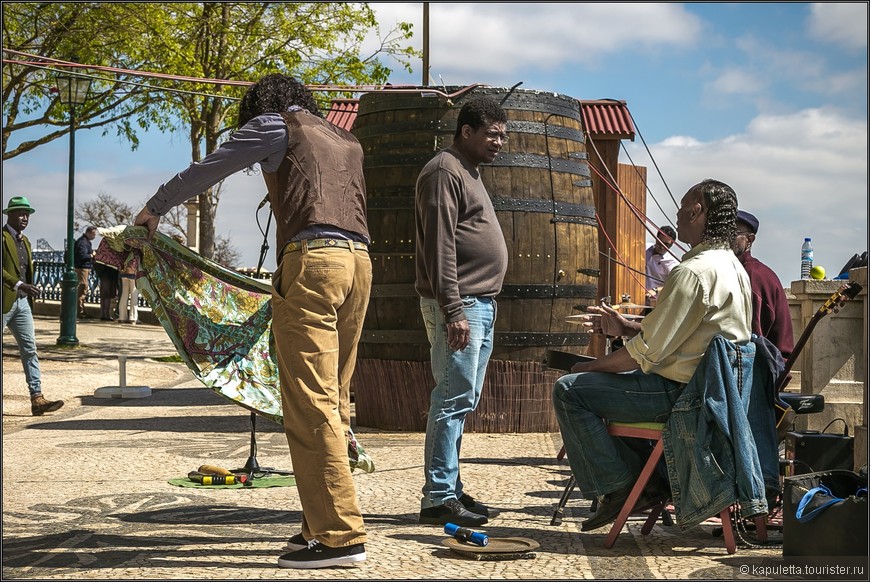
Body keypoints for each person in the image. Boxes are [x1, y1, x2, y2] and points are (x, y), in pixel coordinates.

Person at [133, 73, 370, 570]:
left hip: (313, 262)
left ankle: (339, 536)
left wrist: (155, 208)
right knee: (336, 398)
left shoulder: (274, 125)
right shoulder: (344, 138)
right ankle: (319, 521)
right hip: (360, 266)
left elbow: (210, 167)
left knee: (310, 402)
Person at [552, 178, 753, 532]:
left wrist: (589, 366)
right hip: (714, 396)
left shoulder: (693, 272)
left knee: (570, 390)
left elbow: (643, 356)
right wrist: (626, 328)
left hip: (681, 398)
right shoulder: (734, 269)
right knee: (611, 381)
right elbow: (678, 337)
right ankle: (647, 481)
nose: (676, 214)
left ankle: (620, 486)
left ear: (697, 211)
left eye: (681, 206)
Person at [415, 96, 509, 527]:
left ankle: (448, 486)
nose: (500, 143)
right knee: (451, 398)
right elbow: (440, 246)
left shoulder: (468, 172)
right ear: (466, 132)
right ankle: (437, 496)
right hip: (460, 304)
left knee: (462, 397)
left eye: (504, 135)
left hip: (479, 303)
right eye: (492, 134)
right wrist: (452, 308)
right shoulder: (443, 171)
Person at [2, 196, 65, 416]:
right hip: (4, 302)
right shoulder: (2, 237)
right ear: (9, 214)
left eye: (27, 214)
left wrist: (26, 289)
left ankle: (37, 398)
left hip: (22, 303)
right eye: (20, 213)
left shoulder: (26, 241)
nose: (25, 217)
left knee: (30, 350)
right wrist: (19, 284)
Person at [734, 210, 794, 362]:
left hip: (758, 371)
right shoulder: (735, 269)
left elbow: (751, 337)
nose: (725, 238)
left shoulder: (752, 275)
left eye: (733, 232)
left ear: (749, 239)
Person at [644, 225, 678, 305]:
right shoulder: (644, 247)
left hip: (656, 304)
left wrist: (655, 290)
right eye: (660, 242)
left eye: (666, 244)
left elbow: (675, 285)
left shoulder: (672, 263)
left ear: (672, 245)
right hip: (638, 299)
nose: (662, 247)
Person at [74, 226, 97, 318]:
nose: (94, 236)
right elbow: (82, 256)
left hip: (82, 267)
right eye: (93, 234)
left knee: (82, 288)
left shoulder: (84, 242)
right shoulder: (83, 242)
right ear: (88, 233)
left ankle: (81, 309)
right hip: (82, 268)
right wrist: (92, 255)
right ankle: (80, 310)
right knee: (82, 288)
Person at [118, 259, 139, 325]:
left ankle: (122, 316)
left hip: (124, 270)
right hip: (134, 270)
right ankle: (133, 317)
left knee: (124, 294)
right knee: (134, 294)